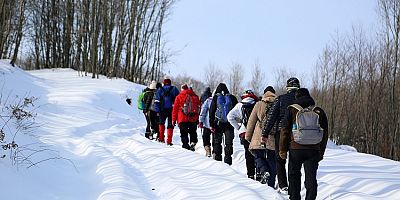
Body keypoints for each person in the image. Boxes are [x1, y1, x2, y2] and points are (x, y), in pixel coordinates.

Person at [279, 88, 328, 200]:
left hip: (296, 148)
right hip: (314, 149)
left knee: (294, 175)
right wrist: (321, 151)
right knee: (311, 177)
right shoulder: (318, 111)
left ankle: (295, 197)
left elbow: (284, 131)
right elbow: (325, 133)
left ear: (297, 98)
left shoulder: (292, 109)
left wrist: (283, 150)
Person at [262, 77, 300, 194]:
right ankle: (293, 186)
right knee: (293, 160)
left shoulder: (281, 99)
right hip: (297, 133)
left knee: (280, 159)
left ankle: (283, 185)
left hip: (281, 132)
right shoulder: (301, 100)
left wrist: (265, 133)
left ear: (287, 87)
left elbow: (271, 117)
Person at [246, 86, 277, 187]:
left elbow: (251, 121)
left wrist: (248, 137)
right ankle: (271, 185)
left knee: (258, 156)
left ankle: (264, 171)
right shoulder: (278, 104)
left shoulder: (259, 104)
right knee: (272, 160)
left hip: (259, 137)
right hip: (273, 137)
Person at [227, 89, 258, 179]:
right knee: (257, 153)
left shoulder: (240, 105)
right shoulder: (257, 104)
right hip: (256, 132)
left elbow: (230, 116)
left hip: (244, 132)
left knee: (248, 153)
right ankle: (259, 173)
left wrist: (238, 127)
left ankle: (250, 174)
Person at [209, 83, 238, 165]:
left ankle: (218, 161)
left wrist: (211, 124)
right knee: (228, 143)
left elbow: (212, 111)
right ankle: (228, 161)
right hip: (229, 124)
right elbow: (237, 110)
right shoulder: (232, 97)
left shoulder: (216, 97)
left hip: (218, 124)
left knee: (217, 142)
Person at [172, 84, 201, 151]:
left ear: (182, 89)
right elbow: (199, 108)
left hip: (182, 118)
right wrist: (198, 118)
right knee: (193, 131)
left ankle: (185, 145)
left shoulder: (179, 96)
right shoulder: (195, 96)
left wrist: (174, 119)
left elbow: (175, 109)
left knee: (183, 133)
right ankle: (193, 142)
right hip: (193, 118)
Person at [154, 78, 180, 145]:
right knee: (170, 125)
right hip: (172, 110)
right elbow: (179, 100)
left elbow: (156, 101)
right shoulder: (174, 89)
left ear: (164, 83)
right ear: (170, 83)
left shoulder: (160, 89)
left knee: (161, 123)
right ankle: (169, 141)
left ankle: (161, 138)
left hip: (162, 110)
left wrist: (157, 110)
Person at [199, 91, 213, 157]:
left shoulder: (209, 100)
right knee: (215, 138)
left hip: (207, 123)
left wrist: (201, 121)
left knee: (205, 136)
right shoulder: (221, 100)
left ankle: (208, 150)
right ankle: (215, 152)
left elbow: (203, 111)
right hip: (216, 124)